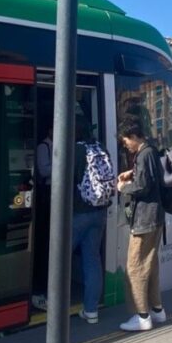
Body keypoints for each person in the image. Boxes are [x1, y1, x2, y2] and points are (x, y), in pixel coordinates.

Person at [117, 119, 167, 332]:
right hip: (155, 217)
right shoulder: (151, 151)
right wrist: (132, 172)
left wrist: (124, 187)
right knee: (150, 265)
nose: (125, 144)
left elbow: (144, 186)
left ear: (135, 136)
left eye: (126, 140)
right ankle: (157, 310)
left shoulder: (144, 154)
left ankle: (142, 315)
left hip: (145, 219)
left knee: (135, 267)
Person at [70, 122, 111, 325]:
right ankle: (91, 310)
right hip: (100, 212)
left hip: (78, 213)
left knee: (59, 258)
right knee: (92, 259)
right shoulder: (101, 148)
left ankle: (54, 304)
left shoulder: (75, 150)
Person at [31, 127, 53, 311]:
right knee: (44, 243)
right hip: (47, 197)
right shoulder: (43, 147)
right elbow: (43, 170)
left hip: (54, 195)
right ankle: (40, 291)